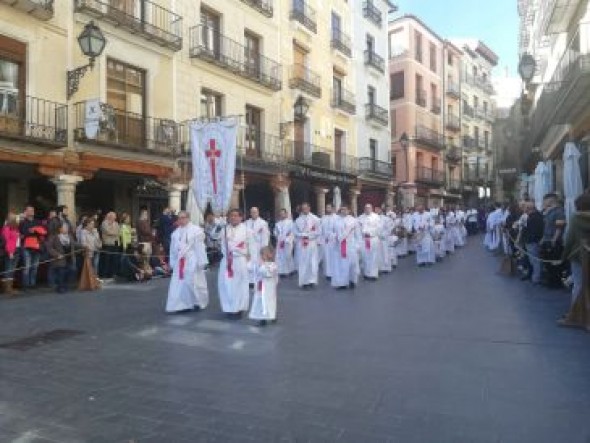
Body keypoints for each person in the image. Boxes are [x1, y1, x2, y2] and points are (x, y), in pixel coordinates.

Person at [166, 211, 209, 313]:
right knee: (179, 283)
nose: (181, 220)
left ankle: (197, 302)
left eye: (183, 218)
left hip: (192, 260)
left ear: (188, 218)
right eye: (179, 218)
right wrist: (172, 262)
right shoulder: (175, 233)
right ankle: (181, 305)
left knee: (193, 282)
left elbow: (200, 247)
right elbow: (172, 249)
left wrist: (201, 261)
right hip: (179, 262)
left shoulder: (196, 231)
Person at [558, 193, 590, 329]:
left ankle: (576, 313)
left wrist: (563, 257)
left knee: (578, 284)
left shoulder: (576, 218)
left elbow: (569, 240)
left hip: (579, 256)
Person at [218, 209, 250, 317]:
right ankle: (228, 308)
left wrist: (234, 248)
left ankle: (238, 308)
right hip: (227, 261)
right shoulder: (224, 230)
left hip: (239, 261)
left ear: (241, 217)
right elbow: (217, 240)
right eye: (231, 215)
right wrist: (219, 226)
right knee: (226, 285)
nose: (233, 218)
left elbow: (248, 247)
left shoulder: (247, 230)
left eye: (236, 215)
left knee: (239, 285)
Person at [540, 193, 567, 288]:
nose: (544, 202)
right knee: (548, 263)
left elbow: (559, 228)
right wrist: (543, 239)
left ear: (551, 200)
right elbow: (546, 227)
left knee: (554, 264)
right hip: (547, 239)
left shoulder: (559, 211)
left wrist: (553, 240)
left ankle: (556, 283)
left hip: (554, 241)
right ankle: (550, 281)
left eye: (546, 200)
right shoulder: (549, 211)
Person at [331, 205, 360, 290]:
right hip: (339, 246)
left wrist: (358, 245)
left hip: (351, 245)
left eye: (345, 209)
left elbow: (358, 235)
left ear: (349, 210)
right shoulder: (336, 221)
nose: (344, 211)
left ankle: (352, 280)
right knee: (340, 265)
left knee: (352, 264)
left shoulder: (354, 221)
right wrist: (334, 237)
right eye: (342, 209)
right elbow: (331, 232)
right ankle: (341, 283)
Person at [249, 246, 279, 326]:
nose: (261, 257)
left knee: (269, 303)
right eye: (261, 255)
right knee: (260, 302)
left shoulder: (273, 265)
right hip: (261, 287)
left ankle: (271, 315)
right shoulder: (260, 264)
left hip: (269, 288)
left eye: (262, 255)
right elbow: (251, 268)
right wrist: (248, 261)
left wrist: (261, 266)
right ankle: (262, 318)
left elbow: (268, 273)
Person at [293, 202, 321, 290]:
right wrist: (302, 235)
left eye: (306, 208)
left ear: (309, 208)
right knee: (303, 262)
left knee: (312, 262)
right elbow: (294, 231)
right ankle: (304, 281)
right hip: (302, 244)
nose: (305, 210)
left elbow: (319, 231)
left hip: (311, 243)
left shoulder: (315, 219)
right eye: (303, 208)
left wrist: (309, 235)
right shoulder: (298, 220)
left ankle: (312, 280)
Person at [45, 223, 79, 293]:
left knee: (71, 271)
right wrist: (57, 255)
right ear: (60, 229)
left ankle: (65, 285)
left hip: (69, 258)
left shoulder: (70, 236)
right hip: (60, 259)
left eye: (67, 227)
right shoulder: (54, 237)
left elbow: (75, 244)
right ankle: (60, 287)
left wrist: (85, 246)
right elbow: (49, 248)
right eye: (65, 227)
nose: (67, 229)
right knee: (61, 273)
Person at [19, 205, 46, 290]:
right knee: (27, 266)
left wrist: (33, 230)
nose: (32, 212)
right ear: (25, 212)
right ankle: (25, 285)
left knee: (35, 267)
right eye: (30, 210)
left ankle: (32, 284)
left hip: (37, 246)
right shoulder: (22, 222)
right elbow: (23, 233)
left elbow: (43, 232)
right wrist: (34, 231)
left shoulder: (37, 221)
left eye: (32, 210)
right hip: (26, 246)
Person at [245, 207, 270, 286]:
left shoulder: (263, 223)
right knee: (249, 264)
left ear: (258, 212)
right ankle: (251, 281)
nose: (253, 214)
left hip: (259, 246)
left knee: (258, 263)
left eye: (255, 212)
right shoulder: (246, 223)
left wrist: (264, 247)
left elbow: (265, 235)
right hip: (249, 246)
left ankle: (259, 280)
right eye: (252, 212)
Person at [520, 201, 544, 283]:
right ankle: (535, 276)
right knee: (533, 260)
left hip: (532, 241)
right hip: (532, 241)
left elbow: (534, 231)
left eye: (525, 207)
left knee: (534, 260)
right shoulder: (535, 216)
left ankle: (536, 278)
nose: (524, 209)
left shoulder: (534, 217)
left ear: (529, 208)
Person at [358, 204, 381, 280]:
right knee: (365, 257)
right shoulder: (360, 217)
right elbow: (358, 228)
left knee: (373, 257)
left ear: (371, 209)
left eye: (369, 208)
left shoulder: (376, 217)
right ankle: (366, 273)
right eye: (366, 208)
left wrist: (370, 232)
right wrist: (362, 233)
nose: (367, 209)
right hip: (364, 239)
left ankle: (373, 274)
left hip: (372, 239)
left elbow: (378, 227)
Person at [1, 213, 20, 294]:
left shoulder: (14, 228)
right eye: (14, 218)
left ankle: (10, 288)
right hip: (10, 251)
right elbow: (7, 241)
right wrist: (10, 252)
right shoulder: (6, 228)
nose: (16, 219)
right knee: (8, 269)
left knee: (12, 270)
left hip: (16, 250)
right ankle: (7, 289)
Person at [274, 208, 295, 277]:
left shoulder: (290, 222)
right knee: (279, 257)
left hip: (287, 242)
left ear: (286, 214)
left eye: (283, 213)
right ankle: (281, 271)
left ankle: (289, 270)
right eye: (281, 213)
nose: (282, 215)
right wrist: (277, 235)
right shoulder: (277, 223)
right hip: (280, 242)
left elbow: (292, 232)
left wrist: (287, 239)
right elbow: (275, 232)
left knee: (287, 256)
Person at [320, 204, 338, 280]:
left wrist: (332, 235)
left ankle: (335, 272)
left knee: (334, 257)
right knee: (326, 257)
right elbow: (320, 229)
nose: (327, 209)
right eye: (326, 208)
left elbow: (338, 229)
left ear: (333, 208)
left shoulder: (337, 218)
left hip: (334, 240)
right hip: (325, 240)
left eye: (329, 207)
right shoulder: (323, 218)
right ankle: (328, 273)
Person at [100, 211, 120, 278]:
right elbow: (108, 232)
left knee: (114, 259)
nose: (115, 217)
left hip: (114, 243)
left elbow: (118, 232)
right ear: (109, 216)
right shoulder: (104, 223)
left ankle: (112, 274)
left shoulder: (116, 223)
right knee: (106, 260)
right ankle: (105, 274)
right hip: (107, 244)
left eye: (115, 216)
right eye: (114, 216)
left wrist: (113, 232)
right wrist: (113, 232)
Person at [376, 206, 393, 274]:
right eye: (375, 210)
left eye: (378, 210)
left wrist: (384, 235)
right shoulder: (374, 218)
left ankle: (386, 267)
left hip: (384, 238)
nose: (377, 211)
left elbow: (389, 228)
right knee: (378, 254)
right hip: (377, 239)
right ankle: (380, 268)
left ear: (381, 210)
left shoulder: (386, 219)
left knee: (385, 252)